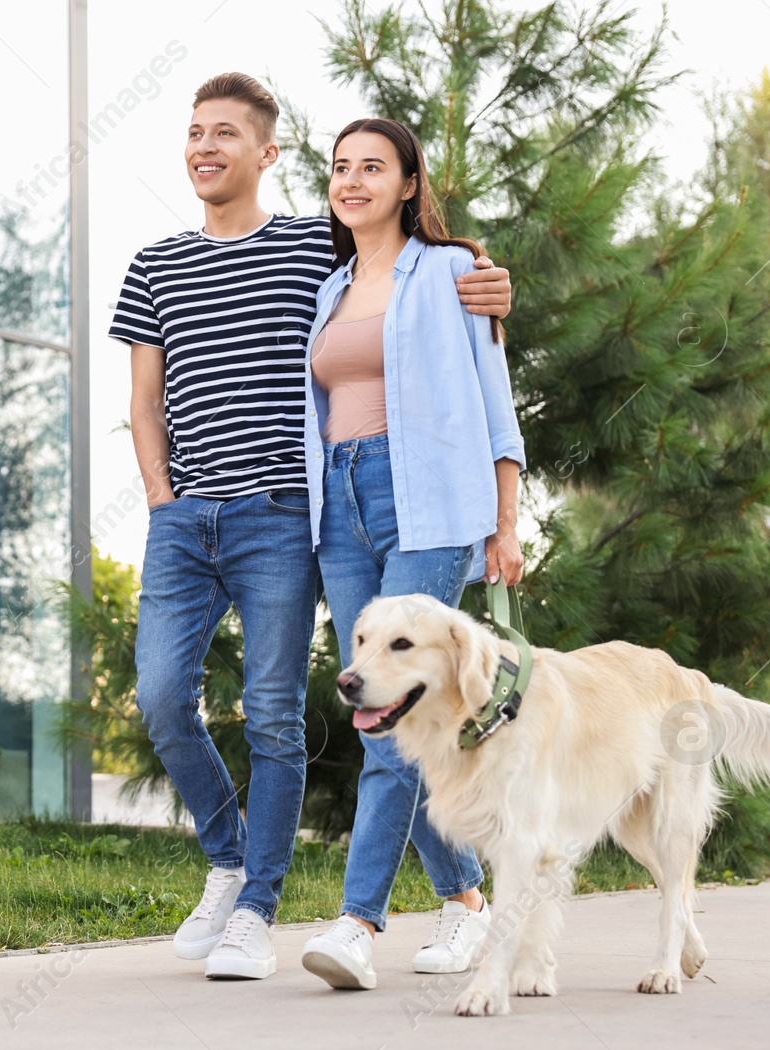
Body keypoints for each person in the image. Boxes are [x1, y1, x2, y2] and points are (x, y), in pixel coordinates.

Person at [109, 75, 512, 980]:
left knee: (337, 713)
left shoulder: (363, 262)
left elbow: (470, 360)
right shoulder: (239, 270)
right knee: (186, 698)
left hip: (342, 509)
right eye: (193, 132)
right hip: (264, 512)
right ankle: (441, 895)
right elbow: (147, 398)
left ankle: (315, 917)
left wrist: (488, 280)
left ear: (266, 154)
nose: (204, 147)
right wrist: (160, 494)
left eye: (225, 134)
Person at [295, 117, 526, 991]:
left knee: (380, 719)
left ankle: (356, 923)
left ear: (407, 183)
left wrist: (505, 524)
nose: (353, 180)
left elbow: (495, 405)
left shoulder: (455, 272)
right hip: (343, 506)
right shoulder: (331, 288)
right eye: (341, 168)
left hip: (425, 502)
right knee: (396, 723)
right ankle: (467, 903)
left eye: (372, 167)